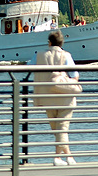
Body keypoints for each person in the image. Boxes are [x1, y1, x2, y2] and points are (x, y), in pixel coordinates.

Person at [32, 29, 79, 166]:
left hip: (47, 97)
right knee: (62, 128)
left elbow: (29, 66)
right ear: (61, 43)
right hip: (65, 96)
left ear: (49, 42)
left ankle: (61, 157)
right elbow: (75, 74)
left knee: (56, 128)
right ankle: (64, 157)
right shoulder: (66, 55)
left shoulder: (39, 55)